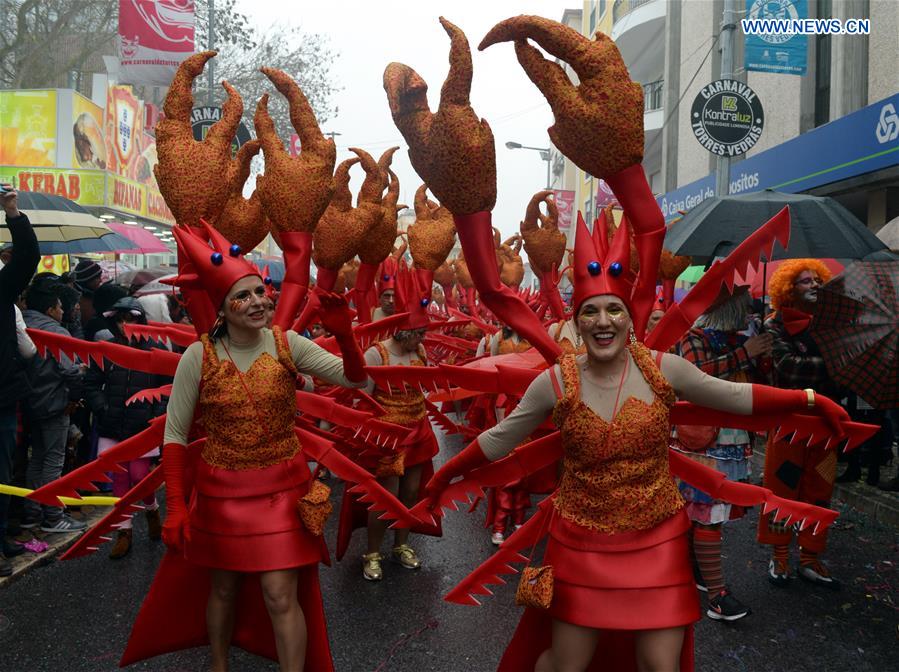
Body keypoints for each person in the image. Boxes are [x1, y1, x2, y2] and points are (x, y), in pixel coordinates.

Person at [423, 215, 850, 672]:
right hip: (581, 542)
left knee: (659, 666)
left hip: (657, 539)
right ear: (576, 320)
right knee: (568, 663)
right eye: (591, 311)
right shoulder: (554, 383)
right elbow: (500, 438)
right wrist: (444, 476)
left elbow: (736, 396)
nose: (603, 321)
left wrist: (809, 398)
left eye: (614, 310)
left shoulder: (663, 369)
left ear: (629, 317)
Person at [124, 223, 370, 671]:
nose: (258, 301)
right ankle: (219, 664)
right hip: (223, 497)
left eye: (262, 291)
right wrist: (177, 506)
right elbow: (175, 435)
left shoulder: (287, 343)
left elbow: (358, 379)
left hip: (283, 491)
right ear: (222, 308)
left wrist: (347, 336)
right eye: (244, 296)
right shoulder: (198, 357)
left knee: (280, 594)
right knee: (223, 588)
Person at [674, 285, 773, 621]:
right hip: (703, 442)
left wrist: (763, 354)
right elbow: (695, 379)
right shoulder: (693, 337)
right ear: (730, 310)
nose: (747, 316)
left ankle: (696, 572)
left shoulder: (736, 341)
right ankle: (717, 597)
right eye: (743, 309)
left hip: (732, 440)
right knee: (707, 514)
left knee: (703, 514)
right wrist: (745, 353)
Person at [758, 259, 842, 589]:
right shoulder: (774, 325)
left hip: (826, 422)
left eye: (816, 281)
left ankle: (810, 557)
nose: (814, 286)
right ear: (789, 290)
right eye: (805, 282)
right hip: (788, 423)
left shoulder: (832, 325)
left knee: (819, 491)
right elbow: (790, 369)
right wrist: (834, 362)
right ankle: (779, 555)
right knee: (782, 489)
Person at [83, 297, 168, 559]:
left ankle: (152, 509)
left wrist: (155, 416)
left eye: (130, 320)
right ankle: (124, 531)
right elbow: (91, 384)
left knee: (140, 475)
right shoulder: (106, 349)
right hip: (113, 423)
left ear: (141, 321)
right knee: (120, 477)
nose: (125, 325)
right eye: (120, 320)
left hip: (143, 427)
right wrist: (102, 408)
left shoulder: (155, 351)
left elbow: (167, 390)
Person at [20, 282, 87, 533]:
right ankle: (53, 516)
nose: (63, 311)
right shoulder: (56, 331)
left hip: (29, 403)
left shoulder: (21, 324)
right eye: (60, 307)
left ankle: (31, 514)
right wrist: (77, 392)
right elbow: (69, 370)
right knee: (53, 461)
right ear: (50, 310)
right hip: (54, 402)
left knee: (36, 459)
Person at [0, 185, 40, 576]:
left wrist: (13, 213)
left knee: (3, 474)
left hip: (2, 400)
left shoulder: (2, 288)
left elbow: (28, 257)